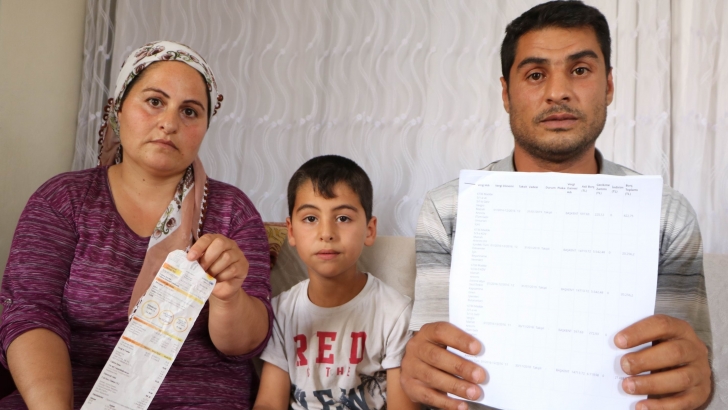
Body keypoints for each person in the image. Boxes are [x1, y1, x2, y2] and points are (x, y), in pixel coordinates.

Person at [400, 2, 713, 410]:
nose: (558, 92)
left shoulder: (666, 215)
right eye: (535, 75)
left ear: (609, 86)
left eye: (580, 70)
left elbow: (687, 371)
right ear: (506, 94)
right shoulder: (447, 210)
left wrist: (698, 383)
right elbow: (435, 361)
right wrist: (419, 367)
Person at [0, 41, 273, 409]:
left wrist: (229, 297)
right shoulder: (63, 200)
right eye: (155, 101)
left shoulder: (232, 211)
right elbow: (31, 313)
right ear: (118, 109)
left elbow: (245, 346)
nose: (169, 123)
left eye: (189, 111)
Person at [253, 155, 418, 410]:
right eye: (311, 218)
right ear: (291, 231)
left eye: (343, 218)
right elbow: (269, 403)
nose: (326, 233)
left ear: (369, 230)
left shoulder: (395, 314)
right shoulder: (281, 312)